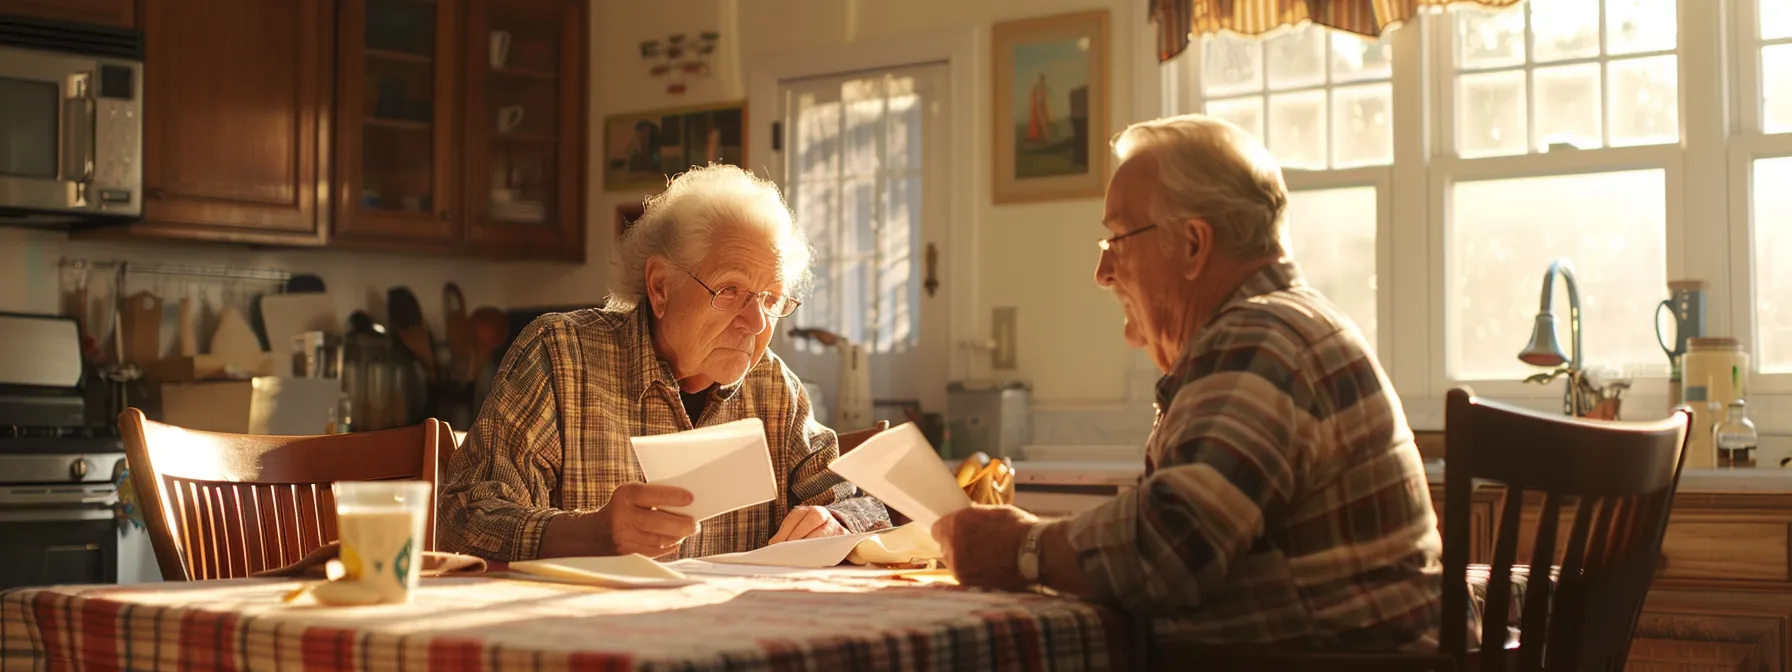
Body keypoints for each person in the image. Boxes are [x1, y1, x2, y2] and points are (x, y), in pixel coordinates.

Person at [931, 114, 1442, 650]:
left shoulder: (1259, 337)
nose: (1102, 273)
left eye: (1117, 238)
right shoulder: (1287, 325)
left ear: (1194, 245)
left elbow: (1172, 546)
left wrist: (1022, 548)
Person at [442, 164, 890, 562]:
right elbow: (466, 515)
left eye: (771, 299)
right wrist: (590, 533)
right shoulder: (561, 355)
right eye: (730, 290)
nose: (756, 322)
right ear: (660, 287)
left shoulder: (775, 387)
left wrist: (836, 522)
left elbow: (864, 505)